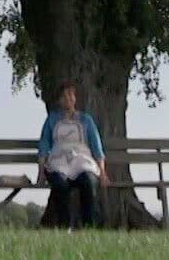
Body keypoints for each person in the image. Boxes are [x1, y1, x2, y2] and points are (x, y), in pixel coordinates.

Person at [36, 80, 105, 229]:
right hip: (59, 160)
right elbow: (44, 146)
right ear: (59, 100)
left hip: (82, 161)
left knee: (88, 182)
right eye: (64, 96)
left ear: (75, 98)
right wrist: (41, 173)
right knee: (59, 184)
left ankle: (89, 227)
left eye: (70, 95)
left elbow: (97, 147)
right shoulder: (52, 120)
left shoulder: (86, 120)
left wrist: (103, 172)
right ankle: (64, 226)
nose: (68, 98)